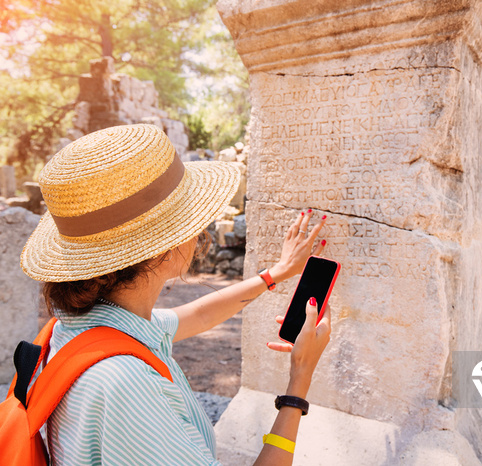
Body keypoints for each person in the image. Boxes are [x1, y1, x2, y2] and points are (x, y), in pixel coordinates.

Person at [19, 124, 331, 465]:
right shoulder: (129, 384)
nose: (199, 229)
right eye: (188, 218)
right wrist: (299, 381)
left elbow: (198, 315)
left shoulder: (81, 329)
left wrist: (276, 273)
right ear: (162, 249)